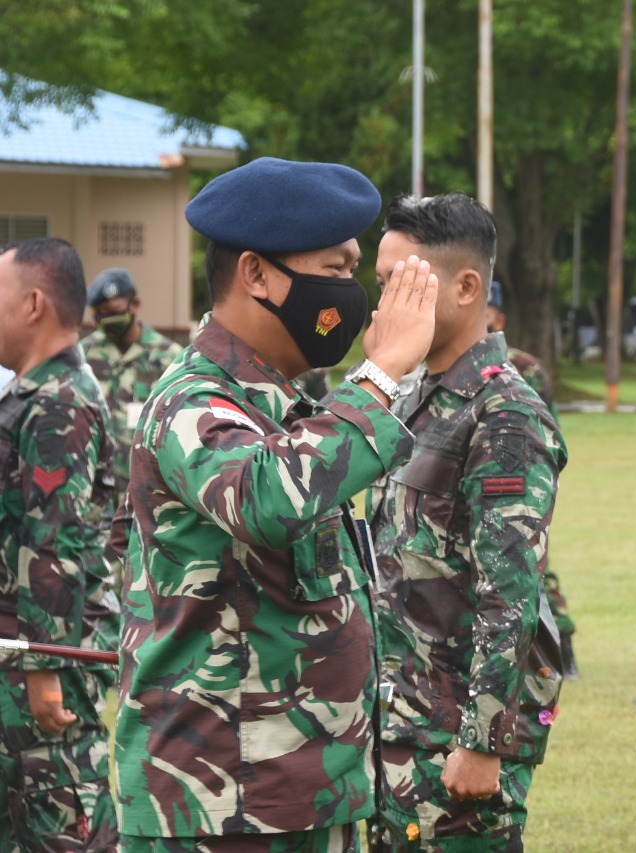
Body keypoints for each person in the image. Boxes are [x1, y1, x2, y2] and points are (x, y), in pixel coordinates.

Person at [113, 157, 438, 849]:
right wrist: (379, 377)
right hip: (220, 803)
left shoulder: (287, 406)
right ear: (256, 274)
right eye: (336, 268)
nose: (352, 294)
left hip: (303, 792)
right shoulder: (191, 399)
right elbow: (267, 498)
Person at [365, 193, 567, 852]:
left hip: (452, 736)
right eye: (381, 283)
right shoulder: (417, 397)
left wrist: (482, 740)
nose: (384, 301)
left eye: (401, 282)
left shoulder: (504, 412)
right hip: (402, 720)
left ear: (466, 286)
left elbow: (510, 593)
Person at [0, 238, 118, 851]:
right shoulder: (31, 396)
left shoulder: (60, 402)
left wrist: (45, 664)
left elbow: (56, 541)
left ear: (34, 304)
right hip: (22, 654)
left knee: (59, 824)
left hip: (45, 662)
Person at [486, 280, 579, 679]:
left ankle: (565, 648)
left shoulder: (526, 369)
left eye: (488, 309)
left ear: (499, 317)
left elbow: (549, 430)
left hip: (519, 484)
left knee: (535, 567)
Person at [81, 268, 183, 508]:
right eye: (100, 316)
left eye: (114, 313)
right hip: (95, 494)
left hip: (149, 493)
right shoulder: (83, 357)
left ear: (134, 304)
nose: (108, 322)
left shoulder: (169, 358)